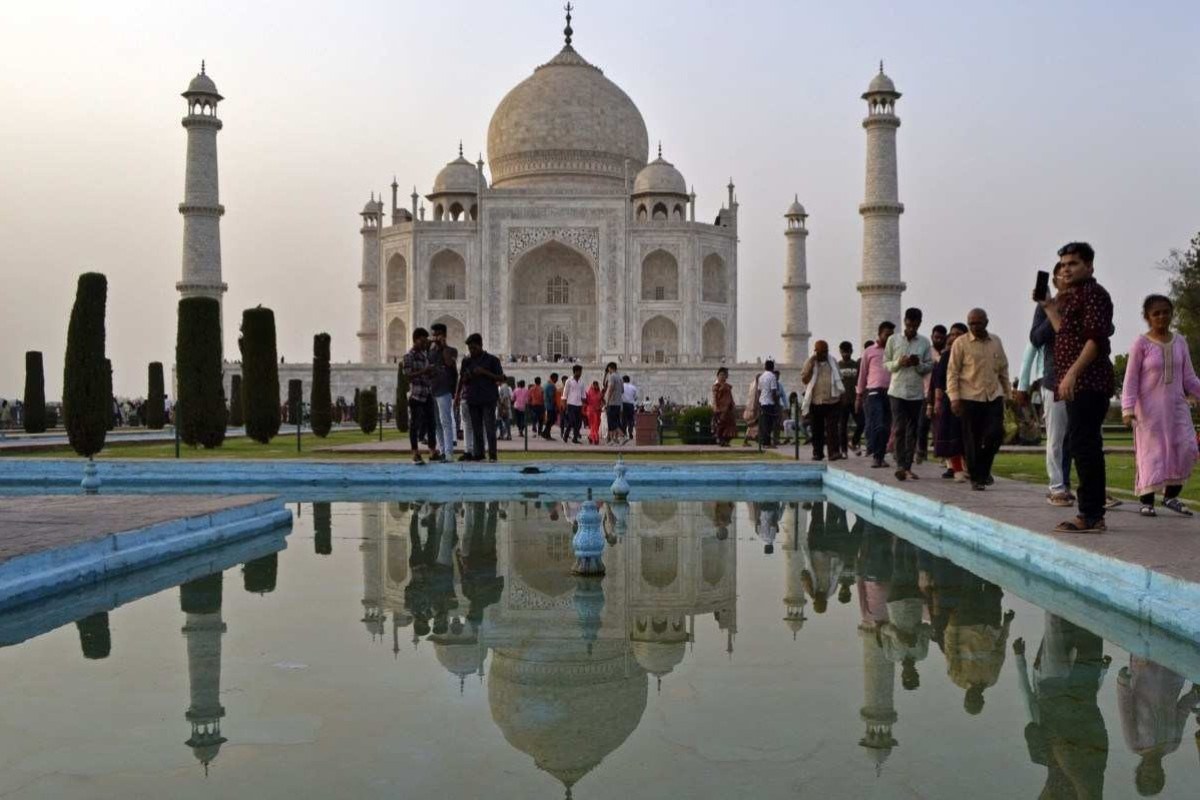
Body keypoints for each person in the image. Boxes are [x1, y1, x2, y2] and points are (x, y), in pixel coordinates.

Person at [1039, 242, 1116, 533]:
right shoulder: (1071, 298)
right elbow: (1065, 332)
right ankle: (1091, 512)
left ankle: (1092, 514)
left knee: (1085, 446)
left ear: (1089, 266)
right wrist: (1048, 305)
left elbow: (1095, 341)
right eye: (1063, 264)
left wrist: (1071, 374)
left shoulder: (1095, 295)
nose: (1066, 268)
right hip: (1074, 381)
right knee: (1080, 443)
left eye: (1073, 263)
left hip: (1089, 381)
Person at [1122, 294, 1200, 517]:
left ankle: (1171, 496)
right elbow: (1131, 379)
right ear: (1147, 317)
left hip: (1176, 407)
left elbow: (1190, 379)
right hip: (1148, 410)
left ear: (1171, 313)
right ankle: (1147, 500)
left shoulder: (1180, 342)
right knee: (1151, 454)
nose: (1161, 316)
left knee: (1187, 449)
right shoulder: (1141, 344)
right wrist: (1127, 410)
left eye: (1165, 311)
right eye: (1156, 313)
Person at [1016, 263, 1074, 506]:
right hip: (1054, 378)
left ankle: (1088, 487)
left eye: (1072, 269)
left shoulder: (1089, 300)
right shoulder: (1046, 307)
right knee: (1056, 437)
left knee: (1085, 438)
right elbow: (1035, 339)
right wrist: (1052, 309)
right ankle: (1057, 486)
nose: (1068, 276)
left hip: (1087, 379)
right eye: (1063, 273)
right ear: (1055, 280)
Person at [1116, 656, 1200, 796]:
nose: (1152, 773)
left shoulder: (1135, 744)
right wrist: (1196, 694)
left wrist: (1123, 683)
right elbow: (1182, 710)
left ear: (1139, 771)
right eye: (1156, 778)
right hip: (1174, 677)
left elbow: (1126, 710)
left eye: (1147, 777)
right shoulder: (1172, 745)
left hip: (1144, 672)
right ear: (1162, 774)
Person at [947, 308, 1010, 491]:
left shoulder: (996, 341)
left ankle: (983, 470)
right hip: (969, 397)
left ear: (986, 323)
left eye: (978, 323)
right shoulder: (961, 343)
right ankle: (977, 477)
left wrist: (1008, 394)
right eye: (971, 323)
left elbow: (1003, 369)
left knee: (995, 435)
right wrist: (954, 398)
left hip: (993, 396)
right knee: (972, 440)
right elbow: (952, 372)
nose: (974, 326)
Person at [884, 308, 934, 480]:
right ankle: (900, 465)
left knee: (913, 430)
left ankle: (907, 466)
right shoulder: (893, 340)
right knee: (899, 428)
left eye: (915, 324)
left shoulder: (924, 343)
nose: (912, 327)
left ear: (920, 323)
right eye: (909, 323)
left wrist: (917, 364)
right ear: (905, 321)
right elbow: (886, 364)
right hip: (897, 390)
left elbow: (929, 366)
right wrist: (899, 362)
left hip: (915, 393)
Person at [930, 323, 968, 481]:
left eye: (957, 334)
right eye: (951, 334)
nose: (953, 337)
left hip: (969, 398)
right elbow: (938, 381)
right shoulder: (947, 355)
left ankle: (967, 468)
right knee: (952, 435)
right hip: (950, 400)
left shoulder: (969, 353)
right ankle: (956, 469)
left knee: (967, 436)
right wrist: (936, 402)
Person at [459, 333, 504, 462]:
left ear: (480, 345)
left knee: (489, 427)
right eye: (469, 349)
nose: (471, 351)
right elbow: (462, 379)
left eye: (473, 348)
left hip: (488, 398)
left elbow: (501, 378)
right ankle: (479, 453)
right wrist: (466, 377)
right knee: (476, 428)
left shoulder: (492, 360)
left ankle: (492, 455)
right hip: (473, 398)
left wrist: (484, 372)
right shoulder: (467, 361)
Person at [857, 322, 895, 468]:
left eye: (892, 335)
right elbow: (863, 374)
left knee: (886, 426)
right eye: (887, 334)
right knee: (878, 425)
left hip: (891, 392)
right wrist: (859, 395)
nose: (889, 337)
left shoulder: (895, 351)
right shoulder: (869, 351)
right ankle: (876, 455)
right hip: (874, 392)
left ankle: (880, 456)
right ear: (879, 334)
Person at [800, 340, 844, 460]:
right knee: (817, 430)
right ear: (816, 352)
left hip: (832, 401)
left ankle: (833, 453)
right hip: (816, 402)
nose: (824, 355)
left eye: (826, 352)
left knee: (832, 429)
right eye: (821, 352)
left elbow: (840, 379)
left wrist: (841, 397)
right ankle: (818, 453)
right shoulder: (810, 362)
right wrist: (812, 365)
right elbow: (804, 380)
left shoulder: (833, 362)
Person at [402, 327, 439, 465]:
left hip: (427, 393)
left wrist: (433, 372)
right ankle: (415, 453)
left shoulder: (424, 356)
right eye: (423, 341)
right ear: (416, 340)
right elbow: (407, 376)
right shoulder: (408, 356)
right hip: (416, 395)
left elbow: (426, 374)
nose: (425, 344)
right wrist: (425, 370)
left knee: (432, 424)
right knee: (415, 425)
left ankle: (432, 451)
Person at [428, 322, 459, 462]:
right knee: (436, 423)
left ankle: (449, 454)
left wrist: (443, 346)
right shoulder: (430, 351)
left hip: (444, 390)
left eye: (437, 334)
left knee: (445, 421)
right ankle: (441, 451)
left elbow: (448, 363)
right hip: (432, 390)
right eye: (433, 334)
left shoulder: (451, 350)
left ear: (444, 335)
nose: (434, 337)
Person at [918, 324, 946, 464]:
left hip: (942, 394)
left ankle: (942, 455)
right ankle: (922, 452)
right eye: (936, 337)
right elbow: (919, 370)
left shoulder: (948, 353)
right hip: (925, 393)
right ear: (932, 337)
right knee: (923, 425)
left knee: (940, 427)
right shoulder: (926, 352)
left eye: (941, 337)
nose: (939, 340)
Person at [837, 341, 861, 458]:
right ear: (840, 352)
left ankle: (853, 442)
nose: (845, 354)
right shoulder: (837, 366)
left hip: (855, 400)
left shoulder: (856, 365)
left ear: (851, 351)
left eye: (847, 352)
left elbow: (860, 383)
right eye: (843, 352)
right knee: (842, 427)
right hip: (842, 401)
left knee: (862, 423)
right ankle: (844, 451)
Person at [756, 359, 781, 448]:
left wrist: (759, 401)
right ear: (773, 367)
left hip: (762, 402)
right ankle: (767, 443)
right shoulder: (772, 377)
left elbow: (758, 391)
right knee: (769, 424)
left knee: (763, 423)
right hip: (769, 403)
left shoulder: (761, 377)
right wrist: (776, 402)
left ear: (765, 367)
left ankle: (764, 442)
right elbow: (773, 390)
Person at [712, 367, 737, 446]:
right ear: (718, 376)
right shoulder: (716, 386)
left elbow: (730, 396)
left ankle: (726, 440)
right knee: (721, 425)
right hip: (721, 408)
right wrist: (715, 406)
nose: (722, 376)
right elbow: (714, 397)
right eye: (721, 375)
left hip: (728, 409)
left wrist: (733, 404)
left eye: (724, 375)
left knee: (729, 426)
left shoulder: (727, 386)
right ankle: (720, 439)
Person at [563, 365, 585, 444]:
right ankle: (566, 434)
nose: (580, 373)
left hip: (579, 405)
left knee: (578, 423)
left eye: (581, 371)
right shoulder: (569, 381)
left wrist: (584, 405)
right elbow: (565, 394)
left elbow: (583, 395)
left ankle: (575, 438)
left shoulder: (581, 382)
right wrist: (564, 405)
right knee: (572, 421)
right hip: (571, 404)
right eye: (579, 371)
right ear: (575, 371)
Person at [603, 362, 623, 443]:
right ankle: (614, 439)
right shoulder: (620, 377)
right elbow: (622, 390)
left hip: (612, 402)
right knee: (616, 420)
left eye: (608, 369)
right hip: (618, 403)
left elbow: (611, 388)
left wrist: (607, 401)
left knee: (612, 421)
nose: (608, 370)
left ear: (610, 368)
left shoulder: (612, 376)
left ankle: (623, 435)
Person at [585, 379, 604, 444]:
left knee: (596, 425)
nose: (595, 386)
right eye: (594, 385)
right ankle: (595, 438)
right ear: (592, 385)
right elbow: (586, 401)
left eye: (596, 385)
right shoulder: (589, 393)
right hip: (591, 411)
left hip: (598, 411)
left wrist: (601, 406)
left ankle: (591, 436)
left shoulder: (599, 393)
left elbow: (603, 401)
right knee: (593, 425)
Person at [542, 373, 559, 440]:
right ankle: (545, 433)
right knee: (552, 419)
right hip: (550, 405)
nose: (557, 380)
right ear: (554, 378)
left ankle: (547, 434)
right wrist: (555, 405)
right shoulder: (551, 385)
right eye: (557, 378)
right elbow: (552, 396)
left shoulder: (547, 384)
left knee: (550, 420)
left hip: (547, 405)